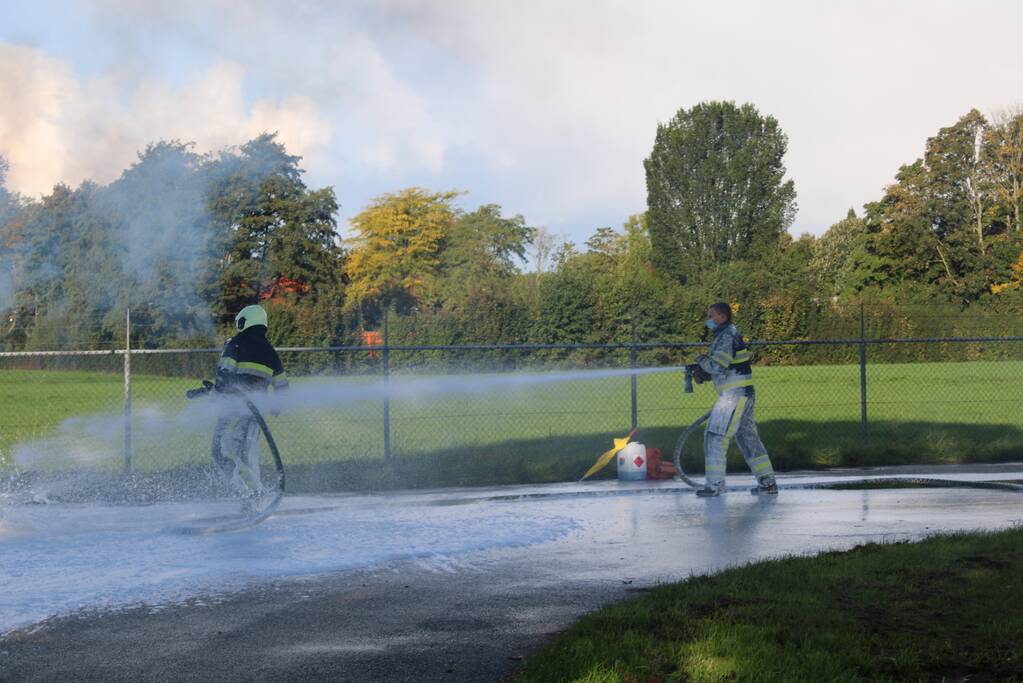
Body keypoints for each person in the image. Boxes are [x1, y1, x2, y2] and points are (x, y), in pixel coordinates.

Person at [693, 302, 777, 497]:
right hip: (743, 393)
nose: (709, 320)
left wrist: (701, 361)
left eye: (711, 316)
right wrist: (704, 375)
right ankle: (768, 483)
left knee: (715, 436)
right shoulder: (728, 334)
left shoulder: (726, 336)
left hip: (733, 395)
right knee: (748, 439)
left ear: (721, 316)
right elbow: (725, 367)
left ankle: (714, 486)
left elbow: (717, 366)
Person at [211, 304, 289, 502]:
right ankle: (256, 495)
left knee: (221, 451)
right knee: (248, 455)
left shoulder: (236, 343)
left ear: (245, 320)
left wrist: (213, 391)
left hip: (234, 409)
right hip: (256, 415)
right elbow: (282, 386)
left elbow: (223, 375)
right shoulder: (270, 351)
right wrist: (276, 406)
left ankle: (247, 493)